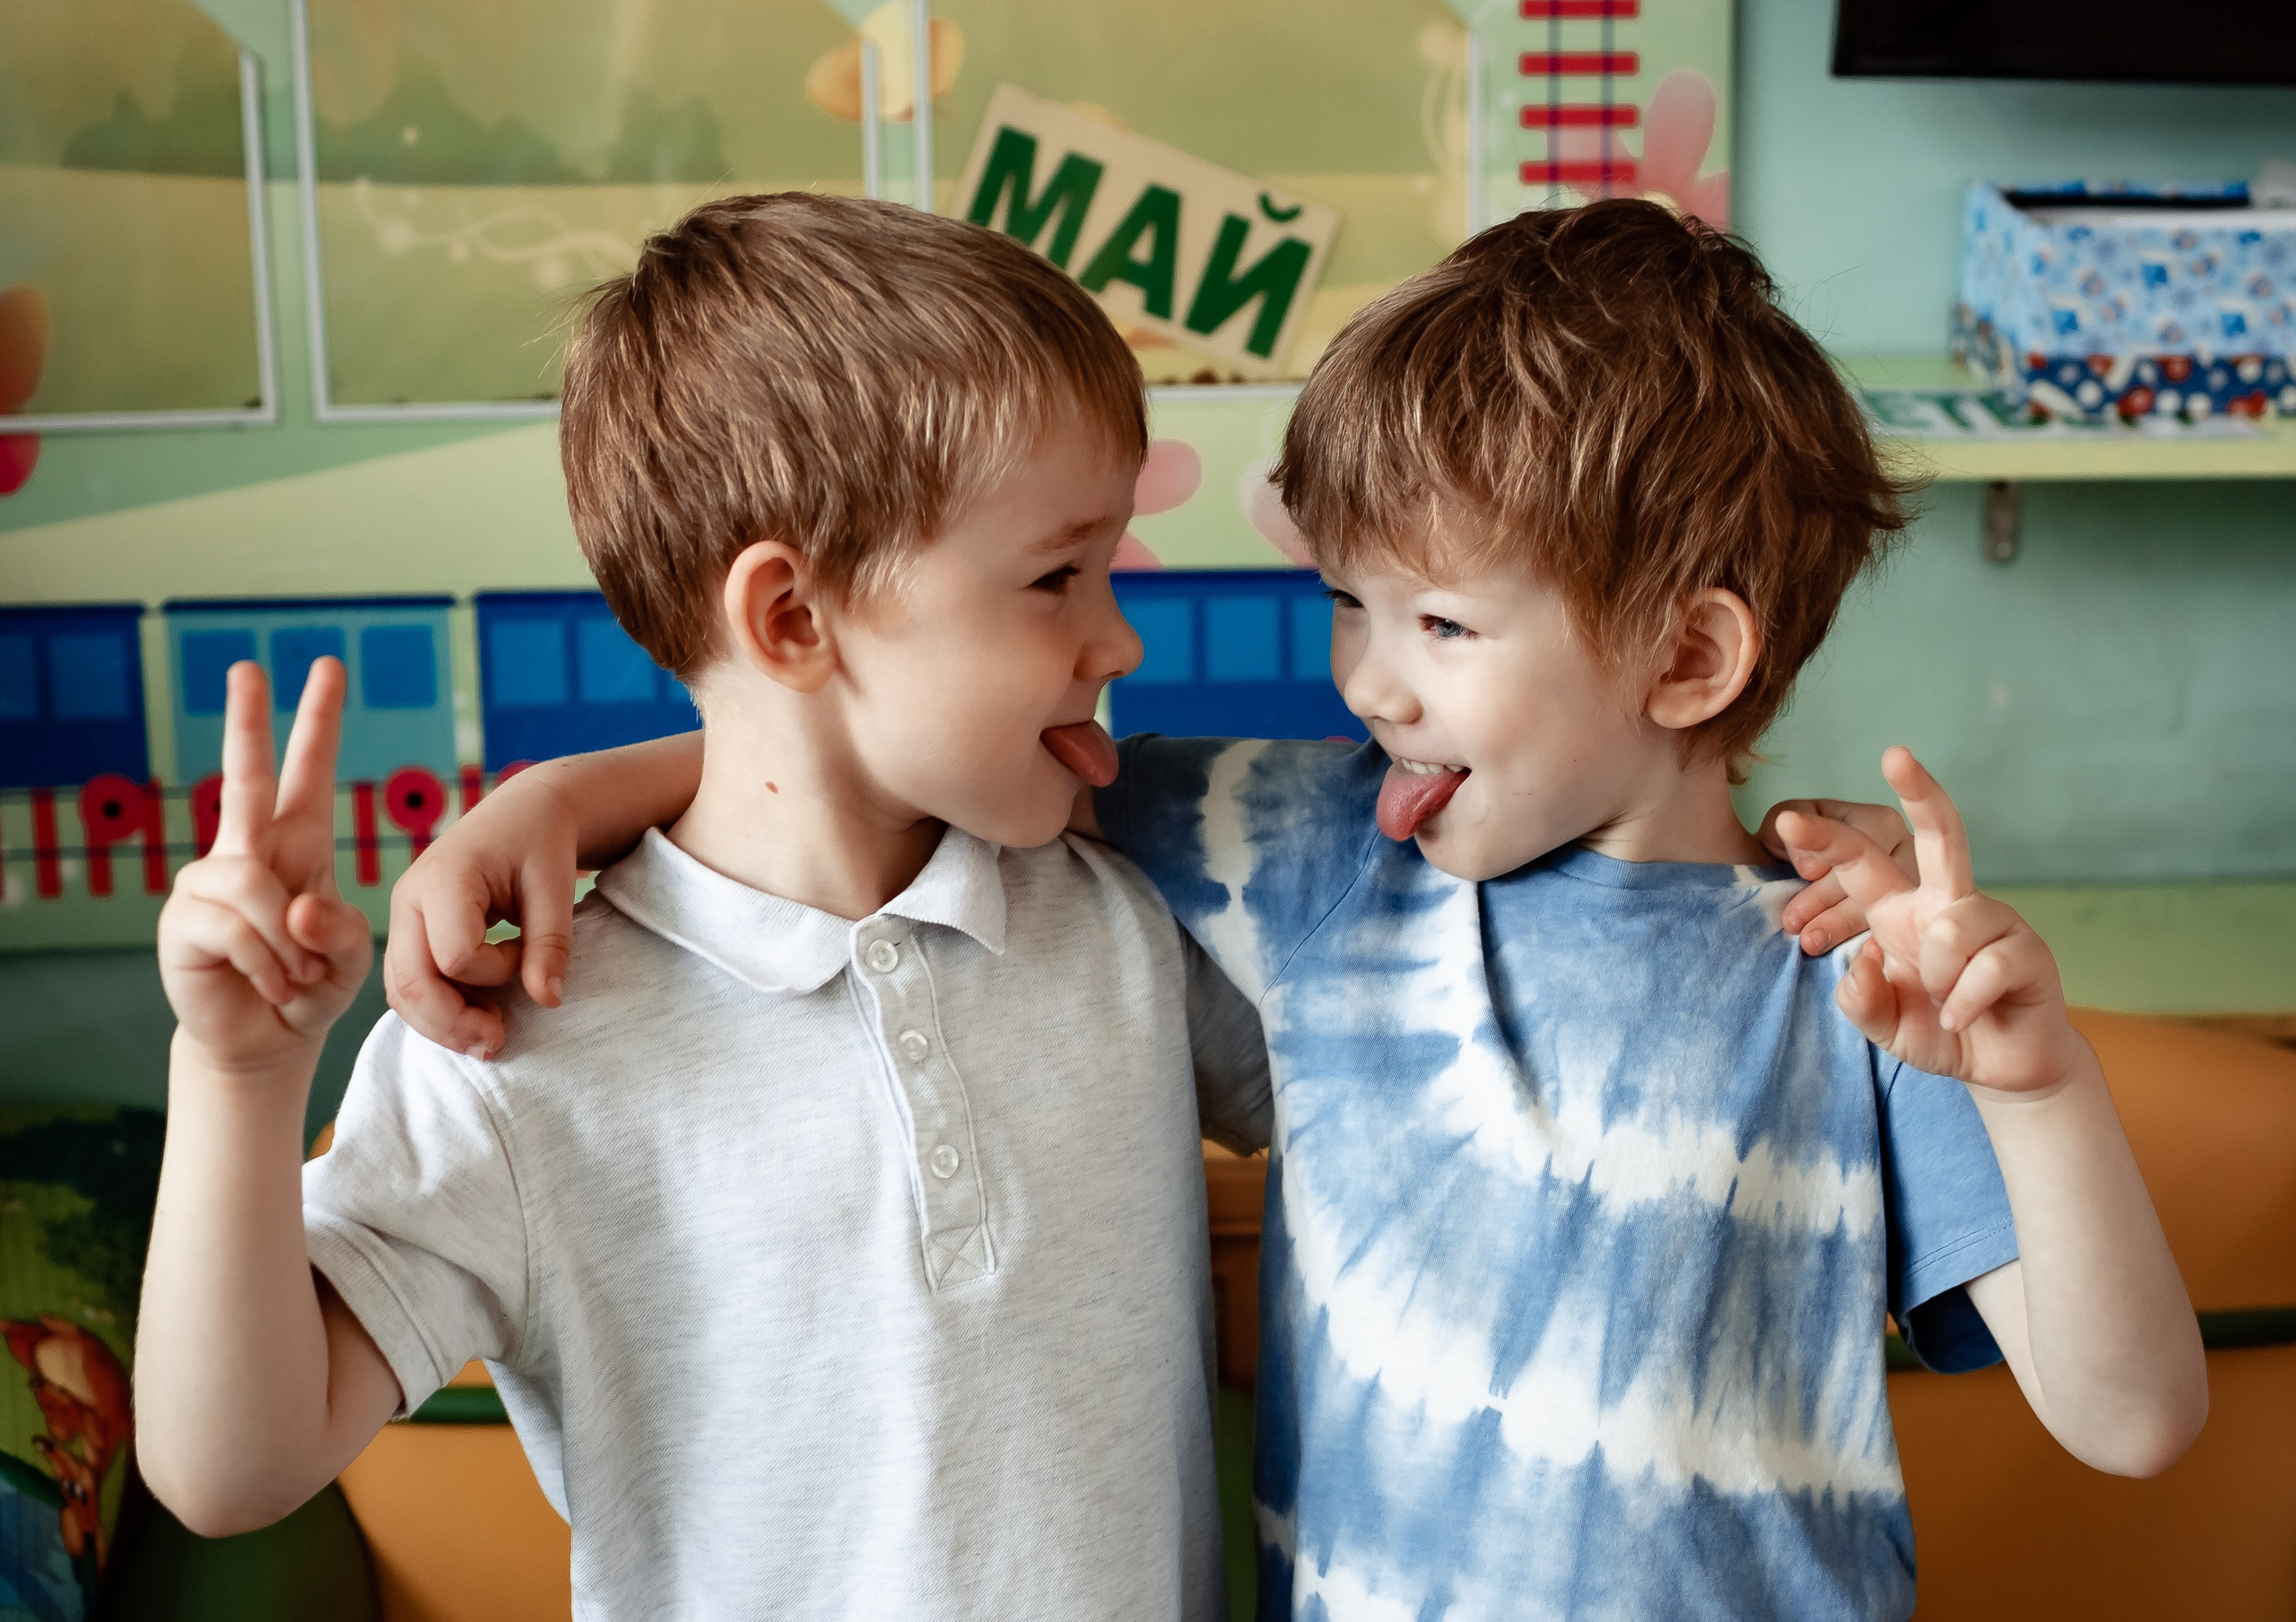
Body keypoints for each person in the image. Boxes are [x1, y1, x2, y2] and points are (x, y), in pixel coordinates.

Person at [380, 201, 2207, 1620]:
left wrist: (2035, 1086)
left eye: (1437, 623)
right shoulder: (1323, 857)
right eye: (1350, 605)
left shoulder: (1853, 970)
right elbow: (868, 743)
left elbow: (2133, 1420)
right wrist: (570, 793)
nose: (1367, 685)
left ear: (1687, 653)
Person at [133, 194, 1279, 1620]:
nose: (1119, 634)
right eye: (1057, 576)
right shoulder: (517, 1043)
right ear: (793, 619)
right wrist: (239, 1075)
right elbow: (226, 1468)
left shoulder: (1130, 924)